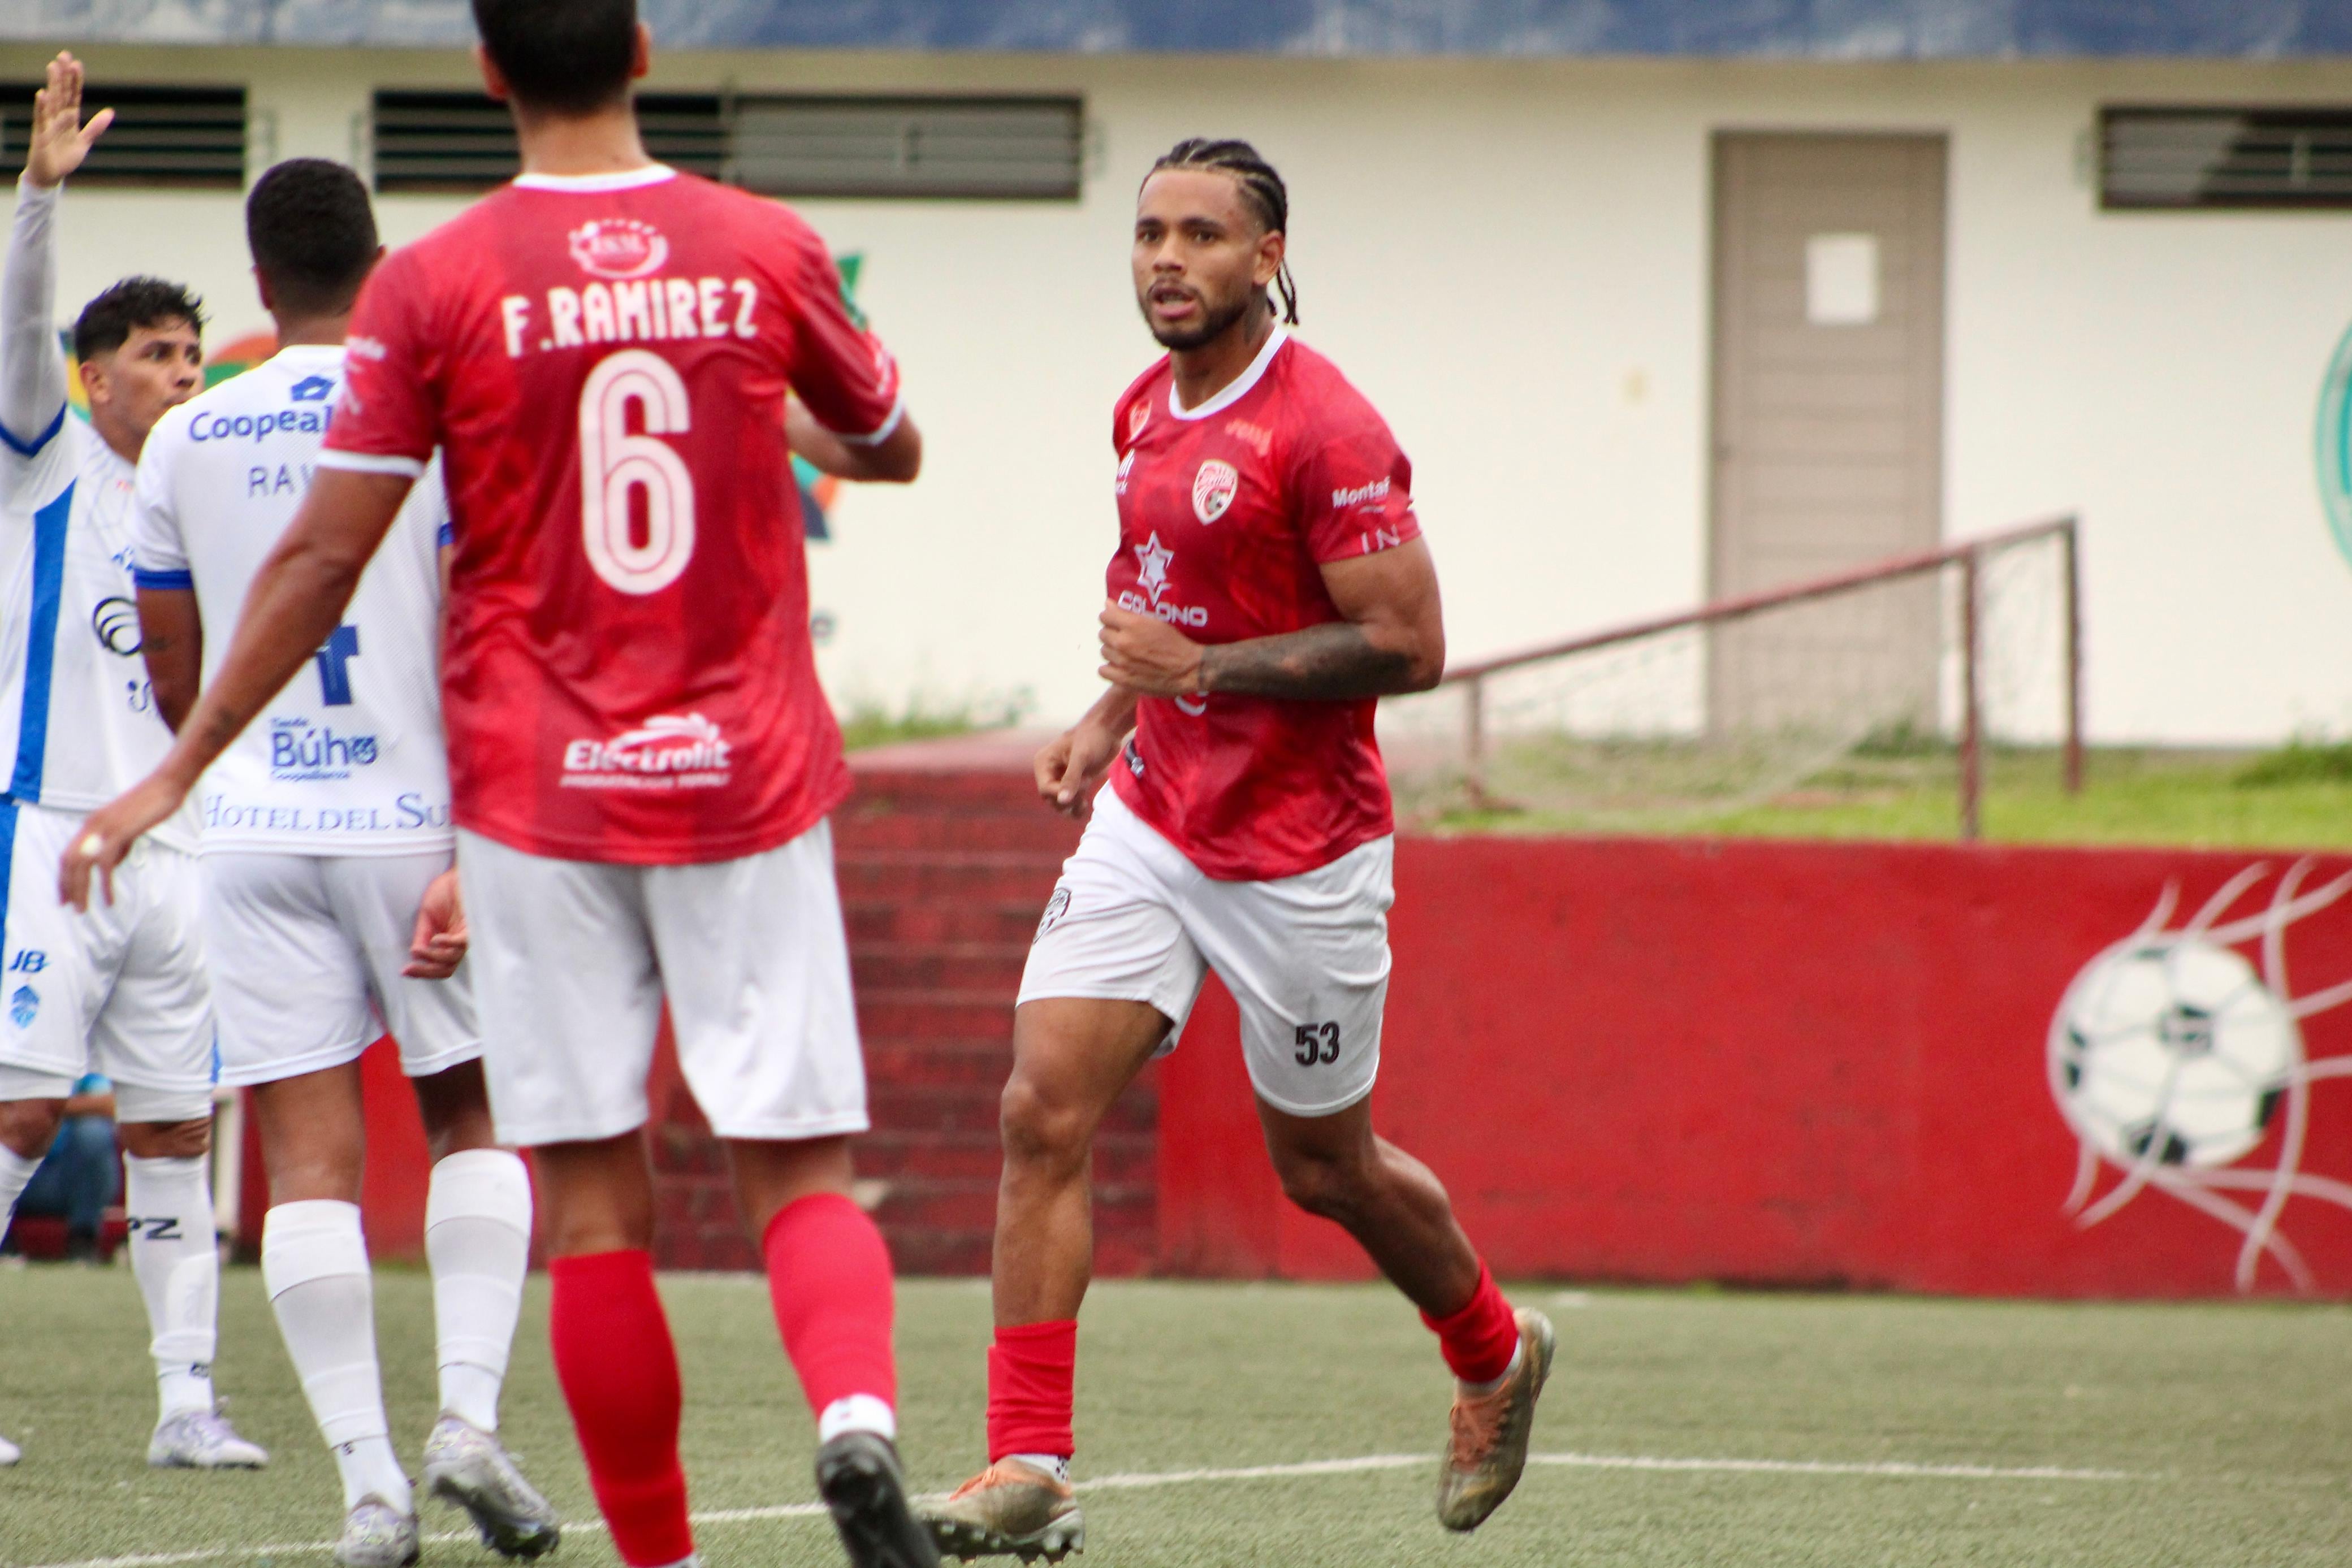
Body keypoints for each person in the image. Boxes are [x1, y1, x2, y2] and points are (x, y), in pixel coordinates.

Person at [62, 5, 935, 1565]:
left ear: (486, 72)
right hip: (716, 766)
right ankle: (854, 1415)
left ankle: (542, 1524)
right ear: (649, 51)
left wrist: (173, 772)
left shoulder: (442, 292)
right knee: (795, 1165)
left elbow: (320, 557)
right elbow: (890, 443)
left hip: (528, 795)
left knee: (596, 1205)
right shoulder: (758, 243)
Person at [919, 138, 1555, 1561]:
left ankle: (1491, 1353)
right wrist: (1111, 714)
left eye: (1202, 235)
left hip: (1301, 857)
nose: (1166, 258)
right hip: (1152, 816)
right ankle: (1027, 1461)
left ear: (1268, 258)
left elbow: (1410, 647)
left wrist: (1197, 670)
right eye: (1150, 231)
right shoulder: (1142, 406)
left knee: (1323, 1171)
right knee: (1038, 1110)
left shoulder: (1327, 427)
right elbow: (1160, 605)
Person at [127, 156, 559, 1568]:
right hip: (425, 827)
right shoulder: (438, 419)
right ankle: (468, 1426)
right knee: (468, 1115)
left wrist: (223, 770)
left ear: (257, 283)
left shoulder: (189, 435)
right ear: (380, 270)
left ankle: (370, 1490)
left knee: (309, 1157)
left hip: (252, 833)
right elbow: (501, 631)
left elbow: (179, 663)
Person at [0, 51, 265, 1474]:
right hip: (49, 830)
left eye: (193, 356)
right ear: (96, 378)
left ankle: (186, 1405)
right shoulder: (41, 461)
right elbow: (20, 322)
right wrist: (36, 199)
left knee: (174, 1133)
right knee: (23, 1110)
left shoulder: (206, 498)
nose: (182, 375)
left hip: (185, 852)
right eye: (160, 357)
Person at [2, 1071, 119, 1261]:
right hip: (12, 1170)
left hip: (64, 1176)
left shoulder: (83, 1065)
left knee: (94, 1133)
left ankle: (83, 1241)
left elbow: (109, 1103)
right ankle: (5, 1241)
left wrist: (41, 1108)